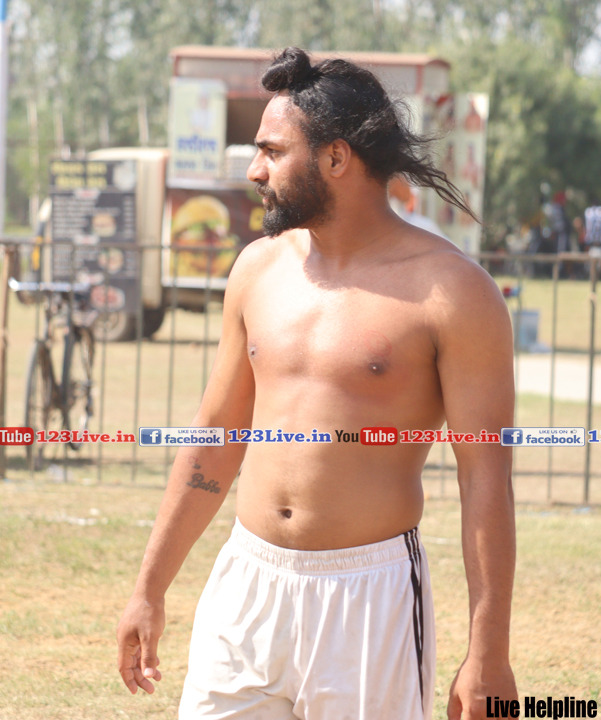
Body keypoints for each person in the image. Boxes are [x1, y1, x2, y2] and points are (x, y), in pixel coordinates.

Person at [116, 47, 517, 720]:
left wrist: (489, 654)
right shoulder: (256, 269)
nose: (254, 170)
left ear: (336, 158)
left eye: (272, 152)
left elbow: (486, 478)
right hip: (247, 585)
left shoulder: (452, 292)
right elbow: (215, 439)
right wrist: (148, 588)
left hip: (369, 599)